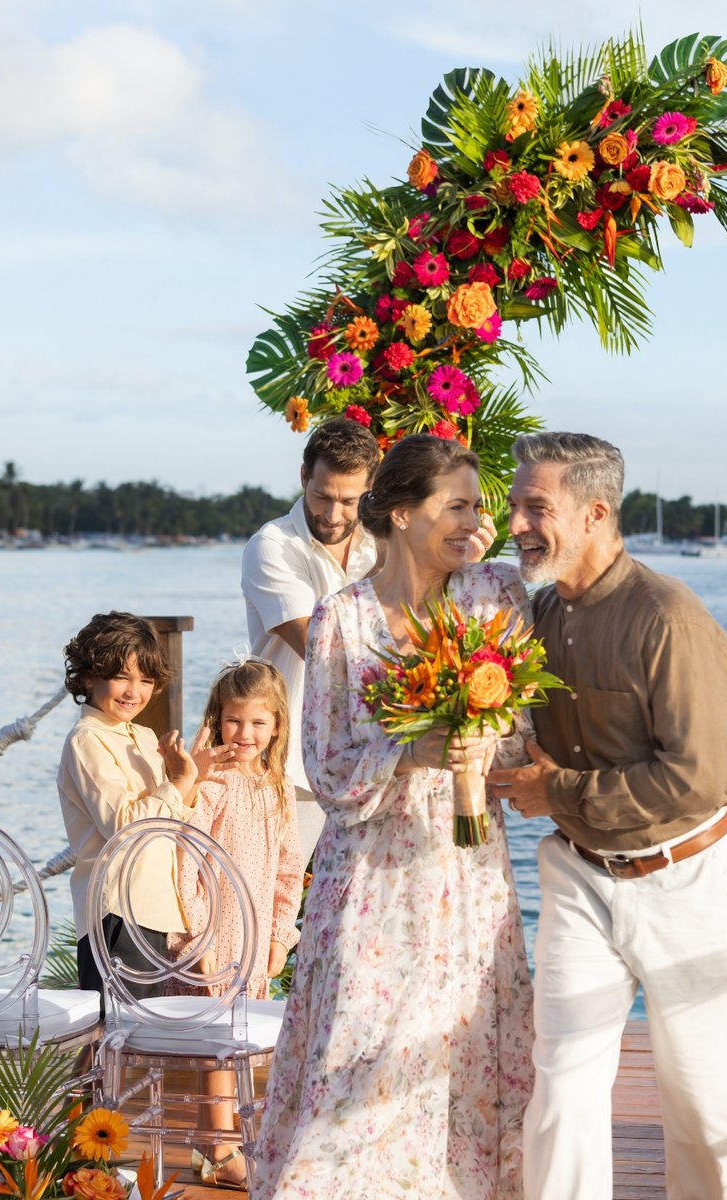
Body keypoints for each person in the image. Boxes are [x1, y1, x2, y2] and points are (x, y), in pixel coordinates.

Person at [250, 434, 535, 1200]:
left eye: (479, 506)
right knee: (359, 1038)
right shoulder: (340, 620)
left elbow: (527, 734)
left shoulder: (496, 597)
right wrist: (416, 749)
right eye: (458, 506)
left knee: (461, 1044)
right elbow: (328, 765)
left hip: (468, 872)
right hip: (372, 876)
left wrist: (482, 737)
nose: (475, 521)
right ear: (403, 513)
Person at [488, 432, 727, 1200]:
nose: (517, 525)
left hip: (687, 880)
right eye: (514, 506)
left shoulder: (669, 619)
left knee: (707, 1100)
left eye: (536, 507)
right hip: (579, 877)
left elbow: (706, 776)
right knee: (562, 1085)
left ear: (595, 512)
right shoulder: (537, 616)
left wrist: (561, 793)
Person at [168, 659, 305, 1191]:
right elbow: (187, 861)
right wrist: (198, 936)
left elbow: (290, 868)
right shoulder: (212, 785)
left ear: (276, 727)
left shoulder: (277, 786)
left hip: (253, 938)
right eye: (233, 721)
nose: (244, 734)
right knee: (217, 1044)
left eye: (257, 723)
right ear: (216, 721)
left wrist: (279, 935)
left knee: (238, 1041)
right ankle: (219, 1147)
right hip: (213, 936)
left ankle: (222, 1140)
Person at [57, 610, 222, 1002]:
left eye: (145, 680)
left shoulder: (145, 736)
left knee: (134, 1034)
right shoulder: (87, 740)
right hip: (115, 909)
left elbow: (167, 826)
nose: (134, 691)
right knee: (114, 1031)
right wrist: (179, 782)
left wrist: (191, 779)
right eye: (121, 677)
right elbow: (126, 826)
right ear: (88, 676)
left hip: (152, 907)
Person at [241, 418, 382, 870]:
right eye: (323, 496)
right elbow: (319, 648)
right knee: (268, 903)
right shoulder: (273, 546)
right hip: (290, 765)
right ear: (304, 477)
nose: (333, 514)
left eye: (348, 501)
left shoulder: (381, 545)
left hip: (371, 759)